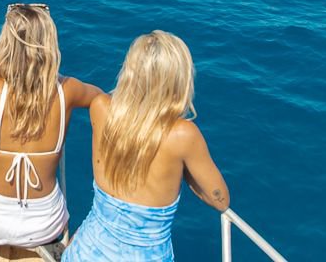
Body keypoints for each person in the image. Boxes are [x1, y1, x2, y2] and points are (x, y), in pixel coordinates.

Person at [63, 30, 229, 262]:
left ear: (130, 70)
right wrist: (184, 170)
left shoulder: (100, 108)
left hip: (86, 252)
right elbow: (220, 200)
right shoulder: (183, 134)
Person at [0, 3, 103, 248]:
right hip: (44, 224)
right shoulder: (67, 90)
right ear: (49, 44)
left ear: (6, 43)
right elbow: (100, 97)